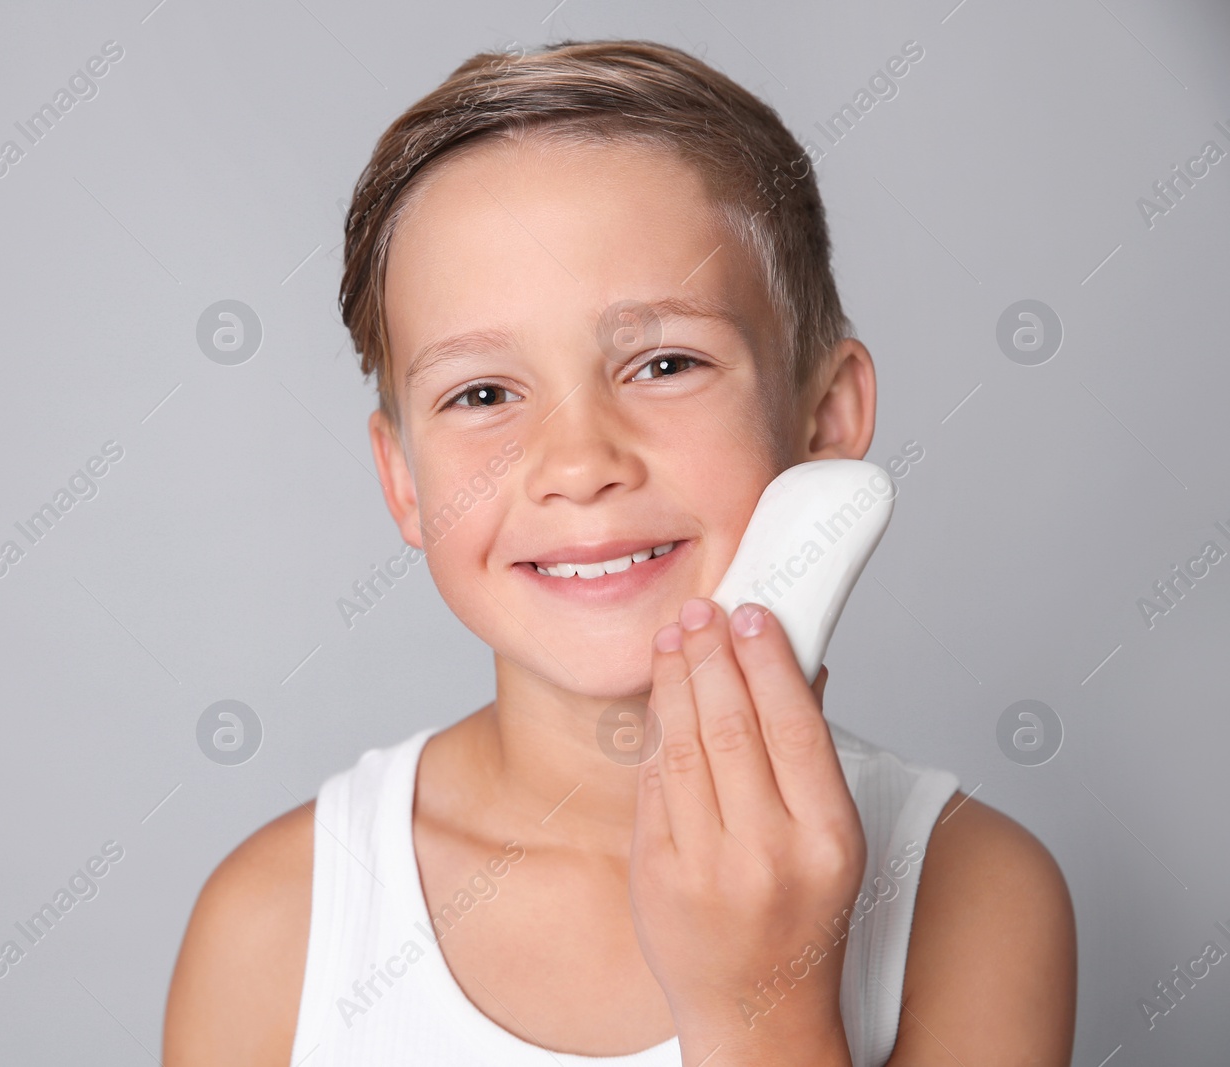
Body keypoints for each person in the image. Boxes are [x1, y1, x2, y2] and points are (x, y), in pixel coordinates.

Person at [164, 39, 1075, 1066]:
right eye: (482, 393)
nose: (578, 460)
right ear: (404, 482)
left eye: (663, 362)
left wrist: (758, 1008)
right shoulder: (277, 925)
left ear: (824, 417)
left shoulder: (974, 889)